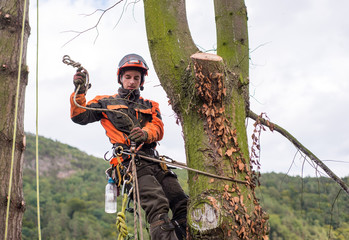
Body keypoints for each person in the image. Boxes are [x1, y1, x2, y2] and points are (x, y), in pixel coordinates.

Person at [70, 53, 188, 240]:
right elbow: (79, 116)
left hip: (154, 161)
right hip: (130, 164)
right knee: (157, 205)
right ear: (120, 78)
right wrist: (80, 90)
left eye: (136, 78)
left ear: (141, 81)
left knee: (181, 201)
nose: (131, 81)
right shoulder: (105, 102)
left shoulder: (151, 105)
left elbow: (158, 128)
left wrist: (145, 134)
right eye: (128, 77)